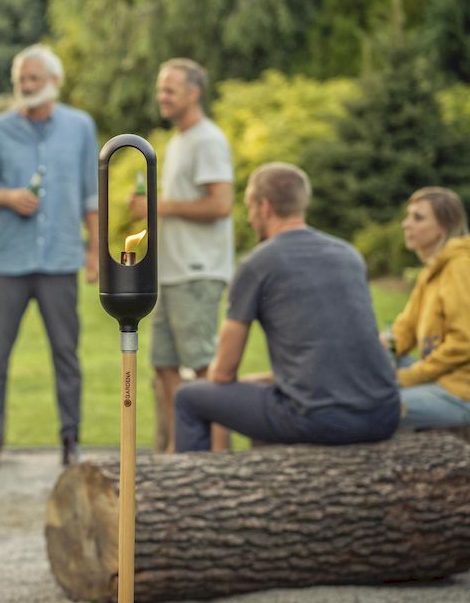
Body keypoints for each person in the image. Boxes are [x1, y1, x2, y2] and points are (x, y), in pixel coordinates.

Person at [174, 164, 400, 452]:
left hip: (318, 419)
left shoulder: (258, 264)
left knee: (189, 398)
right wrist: (268, 380)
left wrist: (240, 382)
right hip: (383, 414)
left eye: (250, 207)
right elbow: (337, 348)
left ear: (264, 207)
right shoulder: (348, 255)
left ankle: (193, 495)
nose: (250, 217)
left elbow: (223, 374)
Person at [0, 44, 100, 473]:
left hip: (61, 259)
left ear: (54, 83)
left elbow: (91, 194)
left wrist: (95, 250)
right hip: (10, 262)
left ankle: (70, 441)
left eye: (34, 79)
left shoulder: (80, 127)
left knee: (66, 354)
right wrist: (6, 196)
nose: (26, 86)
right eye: (21, 79)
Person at [129, 58, 234, 452]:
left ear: (195, 92)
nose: (163, 96)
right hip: (170, 275)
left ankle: (220, 457)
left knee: (205, 367)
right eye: (160, 88)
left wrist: (157, 206)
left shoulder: (208, 139)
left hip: (197, 271)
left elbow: (220, 204)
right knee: (164, 365)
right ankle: (180, 451)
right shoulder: (178, 141)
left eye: (171, 88)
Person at [384, 187, 470, 428]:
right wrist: (380, 348)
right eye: (408, 216)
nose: (405, 224)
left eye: (417, 218)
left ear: (442, 227)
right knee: (368, 366)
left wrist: (409, 377)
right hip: (440, 377)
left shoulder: (460, 267)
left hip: (460, 391)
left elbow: (464, 342)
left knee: (374, 406)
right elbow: (405, 328)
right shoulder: (432, 270)